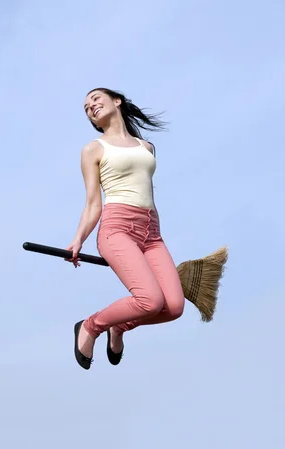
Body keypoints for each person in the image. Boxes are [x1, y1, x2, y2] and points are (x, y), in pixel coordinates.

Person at [66, 87, 185, 370]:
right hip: (117, 227)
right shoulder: (93, 149)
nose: (91, 106)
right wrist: (78, 239)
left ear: (116, 101)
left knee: (174, 307)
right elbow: (93, 204)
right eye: (86, 108)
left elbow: (148, 195)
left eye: (95, 99)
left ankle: (118, 327)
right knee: (150, 300)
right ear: (94, 122)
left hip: (151, 232)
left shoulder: (146, 148)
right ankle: (91, 325)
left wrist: (153, 231)